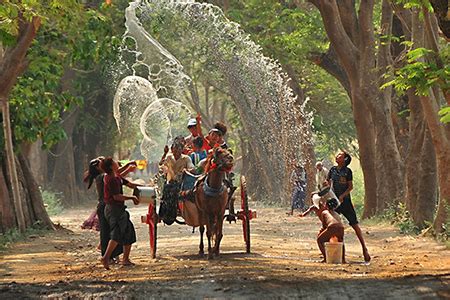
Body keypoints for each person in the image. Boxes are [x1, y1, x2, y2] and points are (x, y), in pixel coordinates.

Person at [83, 157, 137, 262]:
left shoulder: (110, 176)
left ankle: (113, 256)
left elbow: (119, 175)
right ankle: (107, 256)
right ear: (99, 168)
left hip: (110, 206)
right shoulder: (103, 177)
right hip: (108, 206)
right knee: (108, 232)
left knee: (114, 231)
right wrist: (127, 166)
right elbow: (118, 173)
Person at [327, 151, 370, 262]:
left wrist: (342, 196)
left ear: (345, 159)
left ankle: (364, 249)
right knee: (335, 227)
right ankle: (340, 256)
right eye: (337, 155)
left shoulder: (347, 171)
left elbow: (350, 187)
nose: (337, 156)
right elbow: (327, 183)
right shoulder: (332, 170)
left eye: (340, 155)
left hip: (345, 202)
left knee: (355, 225)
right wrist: (325, 187)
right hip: (334, 203)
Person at [100, 157, 140, 270]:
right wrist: (131, 197)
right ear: (111, 166)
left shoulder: (115, 176)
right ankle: (106, 257)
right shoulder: (111, 179)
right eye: (114, 162)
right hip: (114, 209)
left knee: (128, 232)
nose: (117, 163)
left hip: (119, 209)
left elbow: (130, 184)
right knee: (116, 234)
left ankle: (125, 259)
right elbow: (116, 196)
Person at [317, 199, 345, 263]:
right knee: (341, 242)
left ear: (326, 205)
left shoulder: (324, 212)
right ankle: (343, 259)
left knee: (320, 240)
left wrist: (322, 232)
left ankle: (326, 258)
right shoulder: (337, 213)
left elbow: (324, 226)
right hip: (341, 227)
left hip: (332, 226)